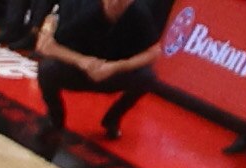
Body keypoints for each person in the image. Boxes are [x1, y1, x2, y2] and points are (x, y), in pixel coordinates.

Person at [33, 0, 166, 147]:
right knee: (47, 69)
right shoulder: (80, 7)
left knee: (147, 77)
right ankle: (55, 117)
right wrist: (81, 61)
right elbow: (45, 46)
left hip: (111, 73)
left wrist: (116, 66)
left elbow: (154, 52)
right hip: (78, 70)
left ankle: (113, 118)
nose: (116, 3)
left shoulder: (139, 13)